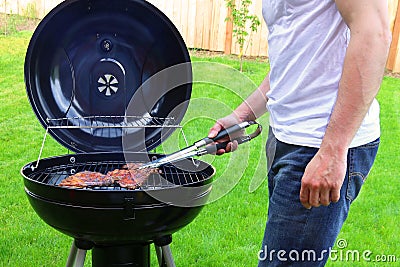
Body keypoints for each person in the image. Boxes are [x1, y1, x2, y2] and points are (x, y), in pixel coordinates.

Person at [208, 0, 391, 266]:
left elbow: (374, 34)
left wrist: (332, 151)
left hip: (319, 144)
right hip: (285, 138)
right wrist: (240, 116)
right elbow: (294, 58)